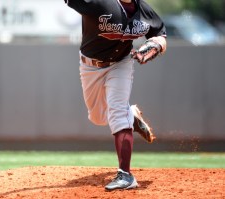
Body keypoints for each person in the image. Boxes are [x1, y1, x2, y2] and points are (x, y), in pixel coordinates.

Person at [64, 0, 167, 190]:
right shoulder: (98, 3)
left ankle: (126, 175)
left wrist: (156, 45)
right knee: (98, 117)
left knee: (117, 112)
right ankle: (131, 115)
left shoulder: (143, 10)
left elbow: (161, 35)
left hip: (122, 63)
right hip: (91, 66)